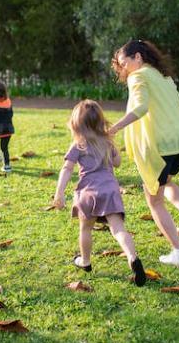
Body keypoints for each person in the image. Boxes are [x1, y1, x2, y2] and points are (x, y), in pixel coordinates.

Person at [109, 40, 179, 268]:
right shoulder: (163, 76)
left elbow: (141, 108)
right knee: (165, 181)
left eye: (125, 63)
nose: (124, 70)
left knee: (154, 200)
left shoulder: (138, 76)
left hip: (161, 146)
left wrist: (115, 127)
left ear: (138, 58)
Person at [52, 100, 146, 286]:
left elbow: (67, 168)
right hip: (110, 190)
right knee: (118, 229)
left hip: (87, 192)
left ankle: (85, 261)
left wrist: (59, 193)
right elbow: (117, 163)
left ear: (76, 124)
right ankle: (132, 257)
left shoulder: (78, 144)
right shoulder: (106, 142)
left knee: (85, 228)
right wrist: (112, 145)